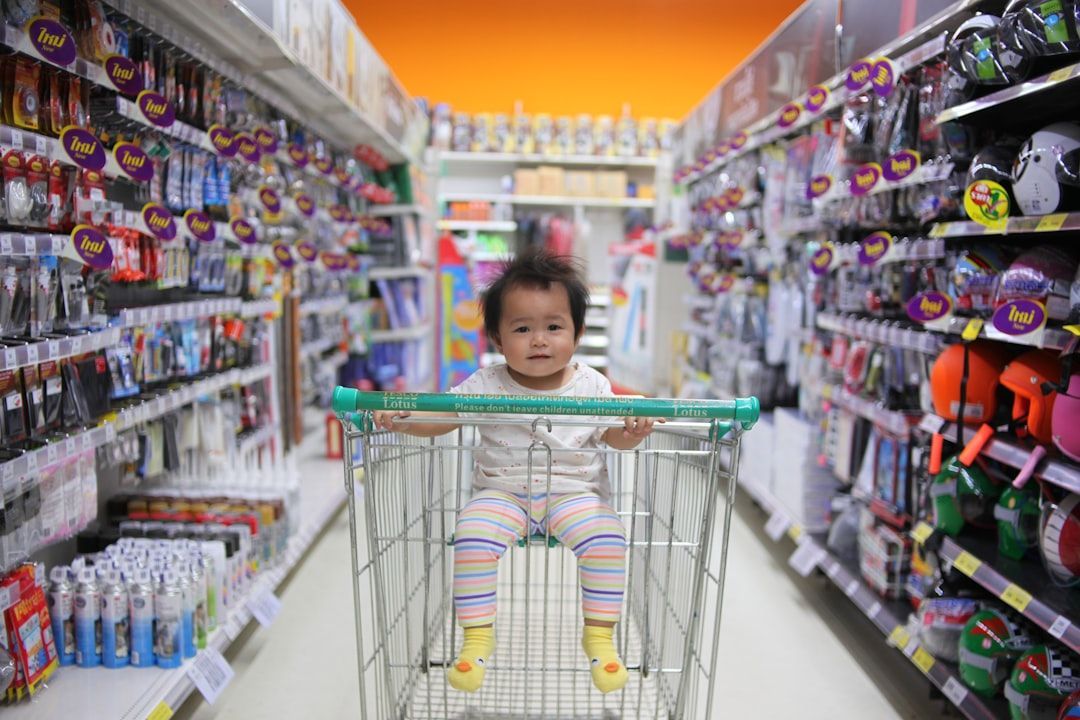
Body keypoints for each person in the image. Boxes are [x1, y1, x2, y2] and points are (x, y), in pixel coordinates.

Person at [373, 248, 661, 695]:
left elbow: (612, 436)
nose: (539, 340)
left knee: (607, 536)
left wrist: (634, 431)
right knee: (471, 533)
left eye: (553, 327)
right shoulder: (486, 384)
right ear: (497, 338)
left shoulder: (592, 386)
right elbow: (442, 419)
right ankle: (476, 639)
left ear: (578, 333)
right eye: (522, 328)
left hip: (575, 494)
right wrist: (404, 418)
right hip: (501, 495)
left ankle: (600, 637)